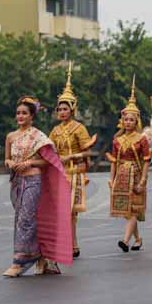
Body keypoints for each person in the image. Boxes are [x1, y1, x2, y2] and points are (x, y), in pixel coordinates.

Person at [3, 96, 73, 277]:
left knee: (25, 220)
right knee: (22, 219)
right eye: (18, 113)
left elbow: (48, 161)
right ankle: (41, 258)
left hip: (33, 181)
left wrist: (29, 163)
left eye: (24, 113)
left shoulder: (39, 136)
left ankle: (19, 262)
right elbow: (7, 158)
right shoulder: (10, 136)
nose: (20, 116)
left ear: (32, 116)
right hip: (17, 182)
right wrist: (10, 163)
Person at [49, 63, 95, 259]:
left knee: (70, 212)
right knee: (61, 212)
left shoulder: (79, 128)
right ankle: (68, 243)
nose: (62, 111)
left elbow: (87, 153)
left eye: (65, 108)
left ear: (72, 109)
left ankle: (72, 243)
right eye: (59, 108)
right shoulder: (55, 130)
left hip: (74, 172)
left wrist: (71, 157)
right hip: (59, 173)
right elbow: (50, 152)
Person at [107, 78, 151, 252]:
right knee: (127, 211)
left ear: (136, 121)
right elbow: (114, 161)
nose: (128, 123)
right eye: (126, 120)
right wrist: (112, 179)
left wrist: (143, 181)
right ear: (122, 121)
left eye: (131, 120)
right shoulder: (117, 140)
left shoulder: (142, 139)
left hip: (136, 173)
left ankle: (125, 241)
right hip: (122, 176)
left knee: (133, 209)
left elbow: (147, 160)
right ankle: (138, 239)